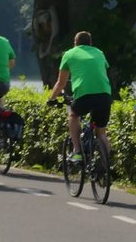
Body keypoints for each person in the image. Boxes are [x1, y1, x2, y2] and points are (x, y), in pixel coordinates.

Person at [47, 31, 112, 162]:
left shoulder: (69, 54)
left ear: (75, 43)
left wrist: (51, 99)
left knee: (73, 115)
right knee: (101, 133)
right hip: (105, 95)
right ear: (91, 43)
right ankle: (106, 166)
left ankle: (77, 151)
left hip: (84, 94)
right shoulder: (99, 53)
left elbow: (61, 83)